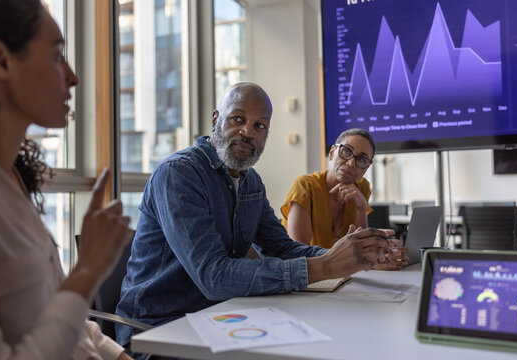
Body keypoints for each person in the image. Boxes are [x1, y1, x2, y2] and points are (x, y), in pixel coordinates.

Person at [116, 82, 399, 351]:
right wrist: (325, 266)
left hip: (218, 319)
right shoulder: (179, 174)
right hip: (156, 330)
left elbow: (283, 248)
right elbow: (214, 276)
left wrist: (349, 256)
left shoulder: (251, 182)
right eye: (237, 119)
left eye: (259, 125)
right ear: (216, 119)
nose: (247, 132)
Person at [0, 1, 134, 359]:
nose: (73, 77)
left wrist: (119, 355)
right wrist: (87, 270)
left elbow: (64, 314)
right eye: (57, 56)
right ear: (1, 60)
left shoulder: (14, 181)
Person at [280, 129, 408, 269]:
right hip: (304, 277)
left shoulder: (362, 188)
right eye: (346, 151)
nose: (351, 163)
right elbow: (299, 257)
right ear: (332, 153)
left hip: (340, 276)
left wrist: (361, 208)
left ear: (365, 169)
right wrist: (369, 262)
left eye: (361, 159)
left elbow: (362, 251)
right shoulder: (305, 186)